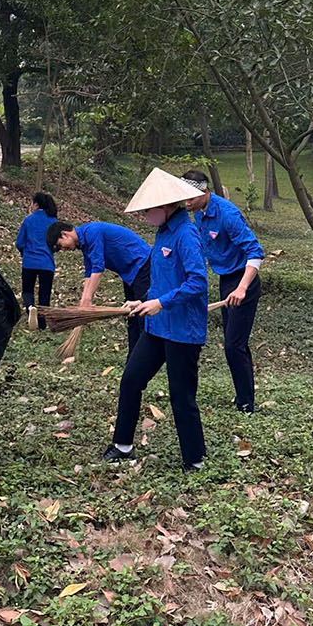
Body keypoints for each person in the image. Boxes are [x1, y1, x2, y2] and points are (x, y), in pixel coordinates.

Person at [105, 168, 212, 471]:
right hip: (156, 328)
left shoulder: (186, 234)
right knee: (131, 380)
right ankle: (123, 445)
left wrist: (161, 303)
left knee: (181, 395)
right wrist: (144, 301)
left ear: (165, 206)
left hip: (182, 331)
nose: (145, 215)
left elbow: (198, 281)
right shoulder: (163, 232)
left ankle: (195, 460)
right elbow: (161, 279)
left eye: (148, 210)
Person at [183, 167, 264, 413]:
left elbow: (255, 252)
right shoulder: (199, 213)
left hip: (243, 281)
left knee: (233, 344)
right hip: (226, 279)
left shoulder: (227, 214)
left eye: (190, 198)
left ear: (204, 192)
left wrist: (242, 288)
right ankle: (243, 396)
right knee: (233, 342)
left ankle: (246, 404)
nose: (186, 203)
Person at [47, 216, 152, 354]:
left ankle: (146, 355)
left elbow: (98, 268)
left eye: (60, 245)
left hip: (142, 265)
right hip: (130, 273)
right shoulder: (84, 242)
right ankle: (133, 358)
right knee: (132, 316)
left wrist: (88, 299)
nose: (63, 249)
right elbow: (89, 272)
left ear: (64, 234)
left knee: (142, 316)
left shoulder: (92, 232)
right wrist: (83, 301)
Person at [14, 191, 60, 320]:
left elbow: (19, 243)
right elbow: (58, 244)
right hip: (47, 263)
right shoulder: (54, 222)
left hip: (29, 262)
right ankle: (42, 321)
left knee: (27, 290)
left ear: (36, 204)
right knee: (44, 294)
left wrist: (24, 253)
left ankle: (30, 310)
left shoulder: (28, 220)